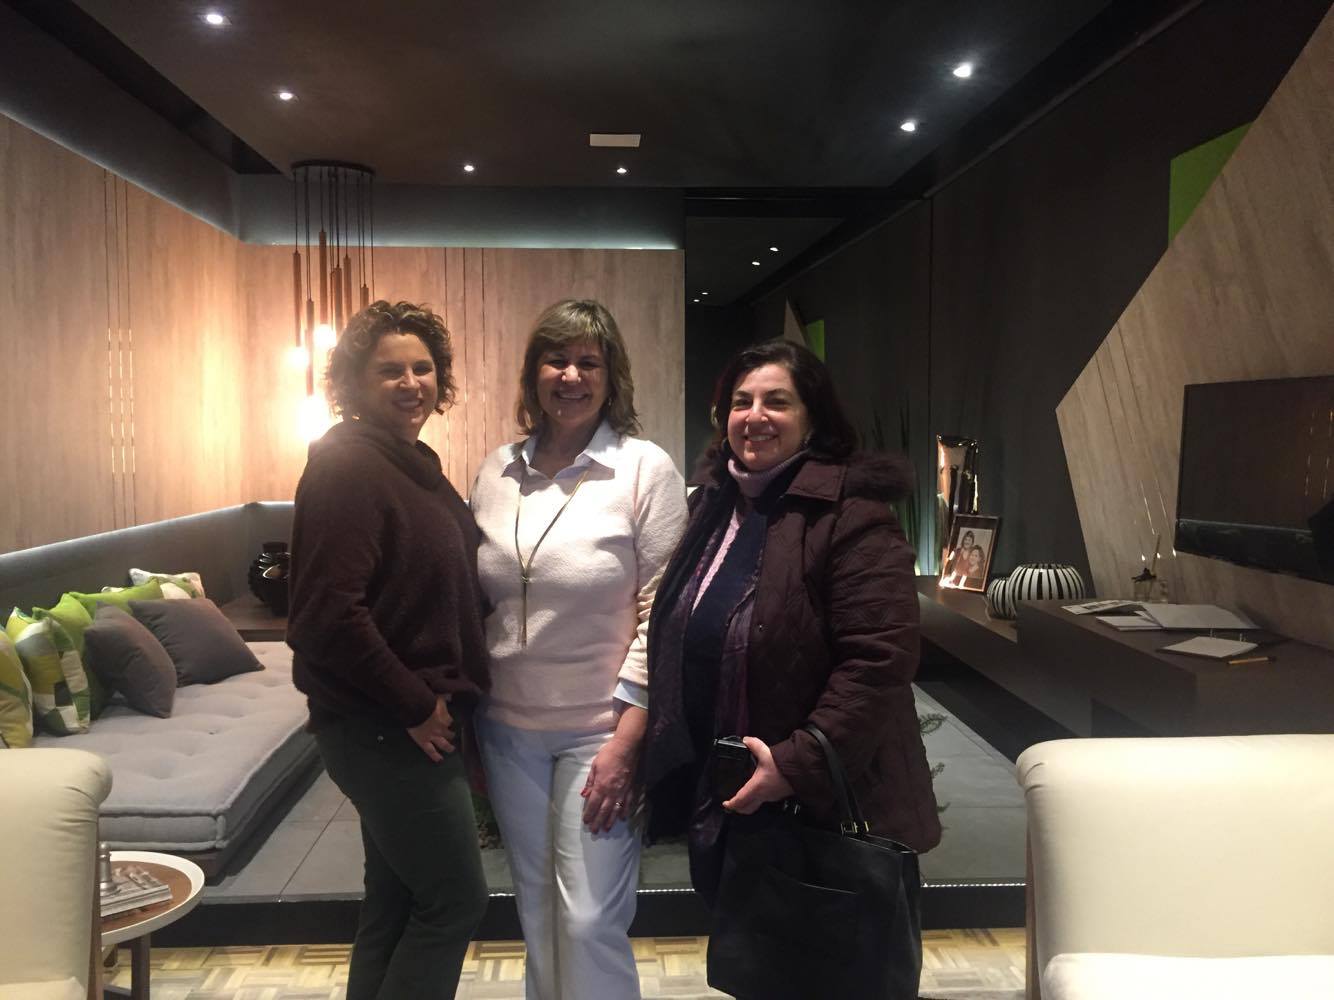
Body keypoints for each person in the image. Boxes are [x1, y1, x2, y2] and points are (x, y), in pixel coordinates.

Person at [642, 338, 941, 993]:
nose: (755, 417)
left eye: (776, 402)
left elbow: (879, 660)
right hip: (740, 797)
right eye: (741, 402)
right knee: (764, 969)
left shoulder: (852, 515)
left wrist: (795, 765)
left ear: (813, 418)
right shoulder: (715, 507)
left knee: (826, 976)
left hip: (822, 803)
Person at [469, 300, 687, 1000]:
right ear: (532, 374)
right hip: (507, 731)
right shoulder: (496, 471)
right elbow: (480, 601)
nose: (570, 376)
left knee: (590, 918)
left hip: (601, 732)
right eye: (555, 359)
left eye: (588, 362)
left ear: (611, 376)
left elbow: (664, 614)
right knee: (537, 913)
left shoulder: (642, 469)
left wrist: (629, 740)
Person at [287, 301, 490, 1000]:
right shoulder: (347, 465)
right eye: (390, 371)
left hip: (400, 724)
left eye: (422, 368)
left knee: (397, 900)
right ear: (353, 382)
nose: (411, 383)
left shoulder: (411, 464)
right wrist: (414, 704)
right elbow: (326, 615)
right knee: (455, 901)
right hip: (386, 728)